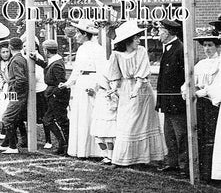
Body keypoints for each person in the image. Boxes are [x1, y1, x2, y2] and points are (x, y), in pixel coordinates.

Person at [108, 21, 167, 166]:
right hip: (126, 89)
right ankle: (124, 157)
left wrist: (136, 90)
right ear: (127, 40)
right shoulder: (116, 54)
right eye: (136, 38)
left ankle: (145, 157)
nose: (138, 40)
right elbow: (115, 74)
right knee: (126, 123)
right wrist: (113, 88)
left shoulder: (141, 51)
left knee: (142, 123)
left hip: (142, 91)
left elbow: (142, 74)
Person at [59, 19, 105, 158]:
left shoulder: (98, 49)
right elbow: (77, 70)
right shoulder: (81, 49)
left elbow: (101, 70)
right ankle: (81, 150)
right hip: (80, 84)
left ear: (85, 34)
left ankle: (94, 151)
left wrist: (96, 87)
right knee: (79, 116)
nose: (76, 36)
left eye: (79, 33)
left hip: (90, 84)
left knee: (89, 116)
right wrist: (67, 83)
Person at [181, 28, 220, 181]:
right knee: (199, 135)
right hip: (199, 104)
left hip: (213, 105)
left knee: (212, 137)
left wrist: (203, 92)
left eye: (210, 45)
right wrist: (186, 90)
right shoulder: (201, 63)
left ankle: (212, 172)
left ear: (217, 47)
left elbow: (218, 86)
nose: (207, 49)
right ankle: (201, 171)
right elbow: (190, 80)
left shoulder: (219, 63)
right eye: (205, 45)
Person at [156, 19, 187, 173]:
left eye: (160, 30)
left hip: (177, 101)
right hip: (168, 101)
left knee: (180, 133)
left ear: (167, 32)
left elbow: (183, 76)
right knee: (169, 134)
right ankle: (172, 162)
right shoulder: (169, 48)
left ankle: (183, 165)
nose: (157, 34)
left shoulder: (180, 49)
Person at [31, 39, 70, 155]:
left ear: (46, 50)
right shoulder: (54, 60)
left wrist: (55, 94)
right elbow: (46, 65)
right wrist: (36, 60)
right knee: (49, 120)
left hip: (56, 96)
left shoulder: (57, 63)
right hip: (53, 93)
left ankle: (66, 144)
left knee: (60, 121)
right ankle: (63, 143)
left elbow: (61, 82)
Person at [0, 37, 28, 154]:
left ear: (11, 48)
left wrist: (14, 90)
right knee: (13, 118)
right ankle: (6, 144)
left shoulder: (17, 60)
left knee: (7, 118)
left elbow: (20, 79)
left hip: (17, 94)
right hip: (16, 93)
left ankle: (13, 146)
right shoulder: (19, 58)